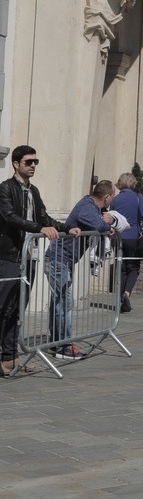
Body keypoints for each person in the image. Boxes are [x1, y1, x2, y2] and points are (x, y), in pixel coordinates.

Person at [0, 146, 61, 376]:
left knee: (17, 310)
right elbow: (10, 217)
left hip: (29, 257)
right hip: (10, 257)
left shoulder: (33, 191)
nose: (33, 165)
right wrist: (40, 228)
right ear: (16, 164)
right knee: (3, 308)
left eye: (36, 161)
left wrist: (68, 228)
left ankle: (11, 359)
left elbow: (43, 216)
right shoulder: (5, 189)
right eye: (29, 162)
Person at [46, 180, 116, 360]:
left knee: (60, 301)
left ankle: (56, 343)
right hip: (58, 259)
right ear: (106, 197)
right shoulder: (87, 206)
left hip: (62, 260)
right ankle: (63, 346)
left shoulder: (92, 206)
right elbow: (97, 225)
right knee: (65, 301)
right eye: (112, 197)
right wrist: (108, 226)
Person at [110, 172, 143, 313]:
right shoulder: (138, 197)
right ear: (133, 183)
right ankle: (126, 293)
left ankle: (120, 296)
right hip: (133, 236)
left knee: (122, 267)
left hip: (119, 237)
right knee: (133, 267)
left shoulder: (115, 199)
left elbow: (112, 217)